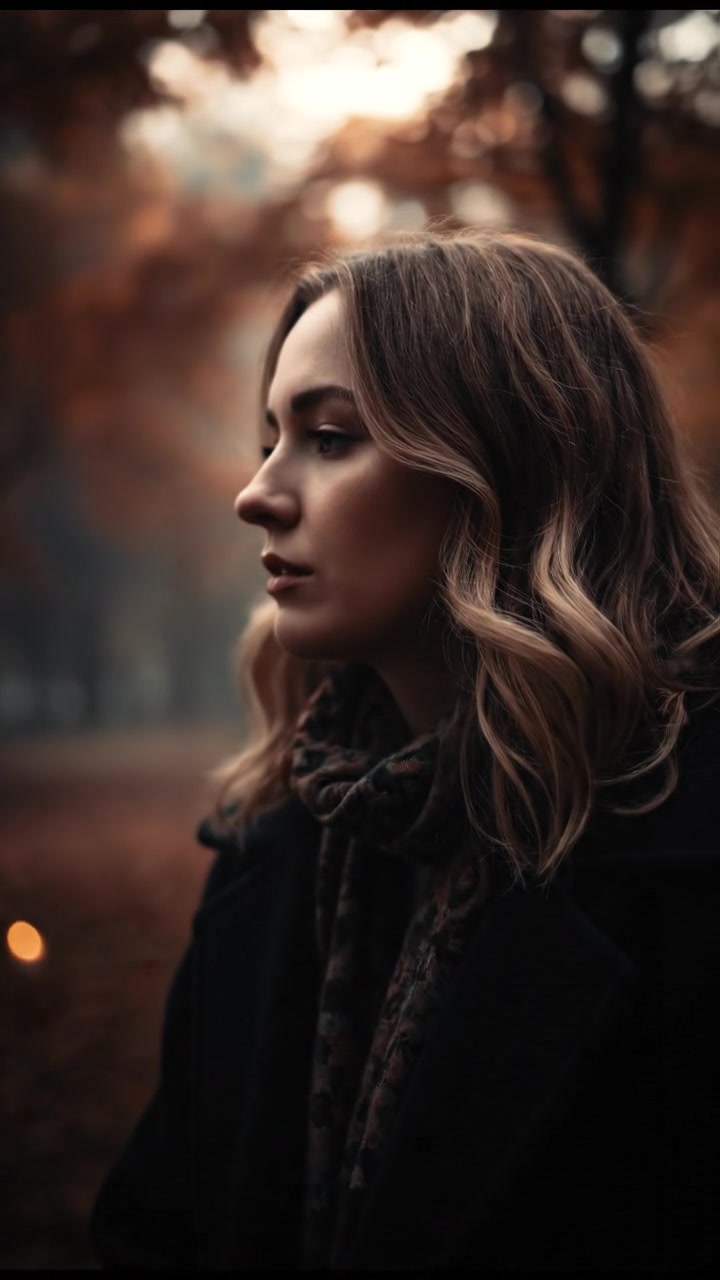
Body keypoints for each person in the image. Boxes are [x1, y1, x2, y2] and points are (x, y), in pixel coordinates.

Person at [89, 229, 720, 1271]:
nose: (257, 493)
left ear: (513, 466)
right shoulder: (274, 842)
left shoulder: (686, 870)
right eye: (270, 439)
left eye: (331, 438)